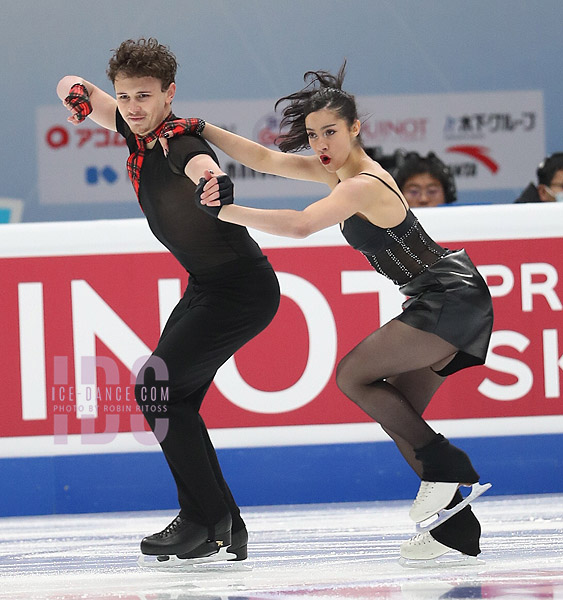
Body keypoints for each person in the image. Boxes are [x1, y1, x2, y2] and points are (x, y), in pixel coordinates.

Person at [187, 63, 493, 564]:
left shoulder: (362, 185)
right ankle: (452, 528)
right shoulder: (338, 172)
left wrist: (225, 213)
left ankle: (449, 466)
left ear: (356, 128)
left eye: (331, 131)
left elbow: (302, 225)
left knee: (353, 377)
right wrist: (201, 129)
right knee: (401, 416)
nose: (321, 143)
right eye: (313, 135)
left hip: (449, 297)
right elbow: (263, 158)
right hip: (439, 297)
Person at [56, 38, 280, 565]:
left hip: (239, 290)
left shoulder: (177, 142)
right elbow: (70, 82)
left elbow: (203, 166)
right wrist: (76, 96)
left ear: (169, 95)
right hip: (208, 284)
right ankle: (220, 523)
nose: (133, 107)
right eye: (124, 96)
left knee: (156, 392)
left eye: (145, 96)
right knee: (170, 401)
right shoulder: (134, 130)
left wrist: (214, 183)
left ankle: (206, 521)